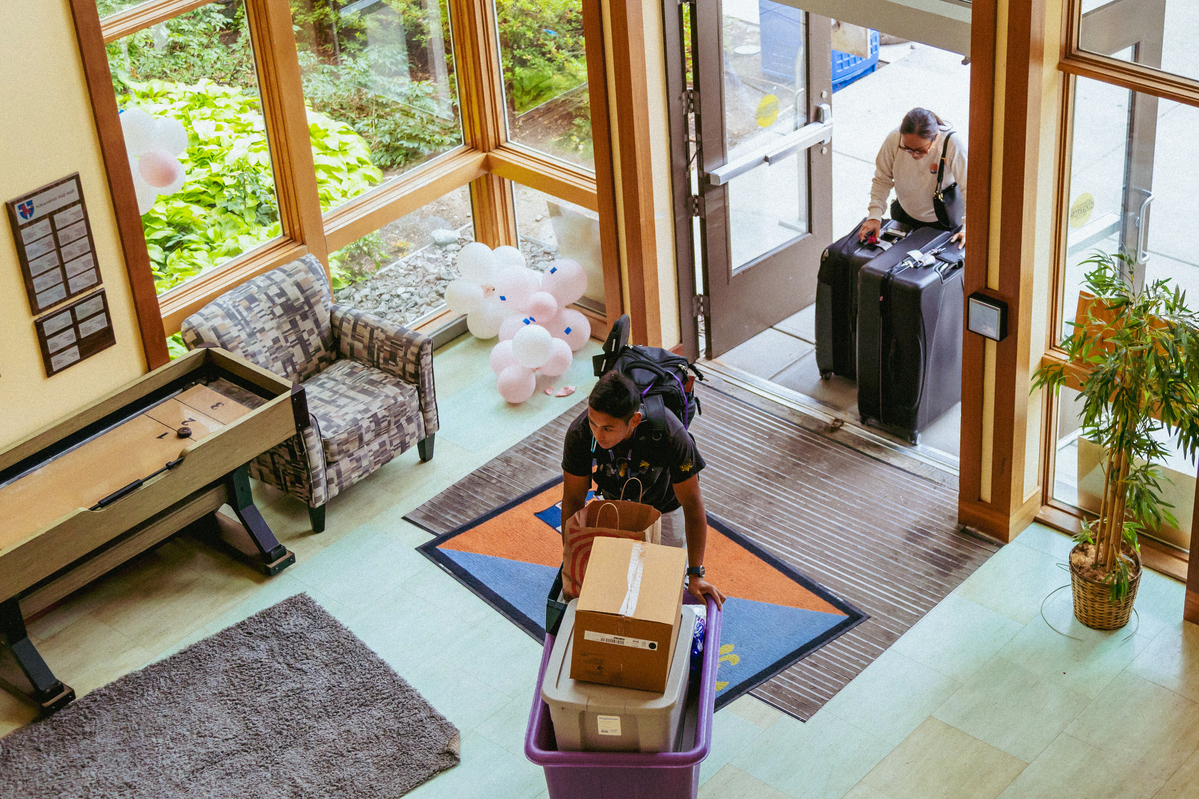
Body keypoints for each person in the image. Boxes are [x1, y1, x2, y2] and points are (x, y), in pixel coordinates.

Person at [561, 370, 725, 608]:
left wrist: (696, 574)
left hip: (666, 504)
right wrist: (570, 558)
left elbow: (692, 504)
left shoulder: (670, 433)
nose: (598, 434)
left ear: (634, 421)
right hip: (614, 502)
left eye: (608, 428)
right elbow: (574, 498)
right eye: (593, 422)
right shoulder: (580, 434)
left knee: (665, 581)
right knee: (615, 580)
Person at [859, 107, 967, 249]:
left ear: (935, 137)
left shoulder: (952, 144)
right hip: (904, 214)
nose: (914, 155)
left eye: (920, 150)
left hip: (942, 221)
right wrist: (874, 216)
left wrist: (968, 227)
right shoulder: (894, 138)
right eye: (907, 148)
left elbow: (970, 189)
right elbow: (882, 179)